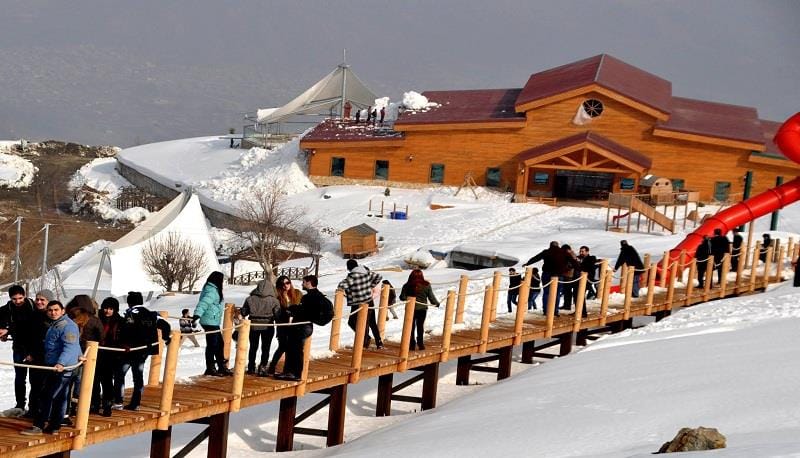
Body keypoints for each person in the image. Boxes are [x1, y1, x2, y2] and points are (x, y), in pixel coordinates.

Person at [20, 300, 81, 436]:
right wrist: (80, 355)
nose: (53, 313)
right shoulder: (56, 324)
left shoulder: (67, 326)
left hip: (61, 368)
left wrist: (61, 363)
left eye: (56, 310)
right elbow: (75, 345)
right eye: (50, 310)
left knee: (46, 396)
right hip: (53, 366)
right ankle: (54, 426)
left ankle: (38, 425)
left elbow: (70, 346)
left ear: (62, 310)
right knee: (59, 398)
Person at [117, 291, 170, 411]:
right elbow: (165, 325)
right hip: (144, 350)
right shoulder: (151, 314)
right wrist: (166, 338)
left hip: (130, 349)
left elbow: (125, 330)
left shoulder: (130, 313)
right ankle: (136, 403)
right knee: (138, 376)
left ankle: (119, 400)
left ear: (129, 302)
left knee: (120, 374)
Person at [276, 275, 325, 381]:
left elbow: (305, 312)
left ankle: (294, 373)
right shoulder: (316, 295)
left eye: (304, 282)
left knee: (296, 350)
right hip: (303, 326)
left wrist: (294, 309)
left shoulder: (309, 297)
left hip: (302, 326)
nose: (302, 284)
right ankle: (290, 372)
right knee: (293, 348)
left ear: (309, 283)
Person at [65, 295, 104, 416]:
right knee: (81, 383)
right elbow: (101, 337)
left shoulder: (67, 318)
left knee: (67, 383)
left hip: (70, 354)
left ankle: (66, 409)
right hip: (87, 355)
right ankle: (77, 408)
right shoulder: (94, 320)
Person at [0, 285, 37, 411]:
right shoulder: (7, 308)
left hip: (33, 347)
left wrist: (8, 330)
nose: (18, 301)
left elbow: (26, 328)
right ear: (10, 299)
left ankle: (34, 406)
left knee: (34, 378)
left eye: (20, 298)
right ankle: (20, 404)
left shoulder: (33, 307)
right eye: (14, 299)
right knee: (20, 378)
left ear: (25, 296)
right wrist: (3, 331)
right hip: (18, 348)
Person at [338, 259, 383, 349]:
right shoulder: (366, 272)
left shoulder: (352, 276)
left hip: (357, 303)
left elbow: (341, 286)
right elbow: (379, 276)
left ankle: (365, 340)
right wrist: (370, 285)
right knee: (372, 322)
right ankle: (379, 343)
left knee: (352, 322)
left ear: (349, 268)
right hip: (369, 301)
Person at [193, 272, 231, 377]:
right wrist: (197, 314)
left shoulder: (213, 289)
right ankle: (210, 367)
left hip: (213, 320)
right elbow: (203, 303)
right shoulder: (211, 290)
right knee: (212, 345)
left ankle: (221, 366)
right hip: (209, 321)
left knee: (219, 344)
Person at [240, 280, 280, 375]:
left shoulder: (250, 299)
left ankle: (251, 367)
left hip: (253, 326)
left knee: (253, 347)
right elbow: (277, 315)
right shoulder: (274, 301)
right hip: (268, 326)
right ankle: (263, 366)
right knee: (265, 348)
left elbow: (244, 312)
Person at [267, 276, 303, 375]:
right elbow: (276, 311)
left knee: (291, 347)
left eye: (287, 283)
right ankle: (272, 366)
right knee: (282, 346)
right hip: (282, 325)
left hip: (295, 325)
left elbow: (302, 306)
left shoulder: (297, 293)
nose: (285, 286)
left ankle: (288, 370)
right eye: (282, 284)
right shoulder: (277, 296)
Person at [26, 289, 54, 418]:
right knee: (34, 384)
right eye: (37, 299)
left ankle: (44, 412)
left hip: (47, 356)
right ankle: (33, 410)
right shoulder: (33, 315)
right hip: (34, 356)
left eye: (42, 300)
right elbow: (27, 336)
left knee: (46, 385)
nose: (39, 302)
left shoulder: (52, 317)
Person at [523, 241, 571, 316]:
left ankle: (546, 311)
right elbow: (573, 261)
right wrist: (579, 268)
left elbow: (537, 258)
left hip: (547, 274)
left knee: (546, 293)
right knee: (557, 294)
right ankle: (555, 311)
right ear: (558, 246)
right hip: (559, 275)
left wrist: (528, 263)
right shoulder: (563, 252)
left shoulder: (547, 252)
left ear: (550, 246)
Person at [399, 269, 439, 351]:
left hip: (410, 309)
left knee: (411, 327)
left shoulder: (407, 285)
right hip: (422, 309)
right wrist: (436, 303)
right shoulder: (426, 285)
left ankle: (412, 344)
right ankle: (420, 344)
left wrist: (408, 296)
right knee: (420, 326)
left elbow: (402, 298)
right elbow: (431, 297)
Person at [98, 298, 124, 417]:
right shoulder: (97, 319)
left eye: (110, 309)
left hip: (112, 355)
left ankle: (107, 405)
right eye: (106, 308)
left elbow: (124, 336)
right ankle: (95, 403)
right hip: (97, 353)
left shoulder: (120, 321)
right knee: (94, 380)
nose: (107, 311)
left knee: (107, 380)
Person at [560, 244, 582, 311]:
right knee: (567, 291)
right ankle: (567, 305)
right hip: (570, 275)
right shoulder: (573, 255)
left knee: (567, 291)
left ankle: (567, 305)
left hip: (569, 275)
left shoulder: (571, 255)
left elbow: (571, 265)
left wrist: (564, 268)